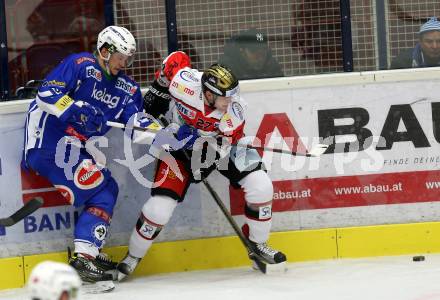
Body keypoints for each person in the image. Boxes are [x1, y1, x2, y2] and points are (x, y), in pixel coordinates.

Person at [116, 51, 287, 281]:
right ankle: (133, 257)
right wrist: (159, 91)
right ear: (207, 93)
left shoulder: (235, 110)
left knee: (261, 185)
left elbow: (224, 146)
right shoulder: (184, 84)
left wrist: (201, 145)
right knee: (159, 208)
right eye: (225, 97)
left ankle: (258, 243)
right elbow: (175, 60)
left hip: (218, 147)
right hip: (177, 147)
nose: (231, 102)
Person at [22, 25, 143, 283]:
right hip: (47, 144)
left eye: (127, 58)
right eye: (121, 56)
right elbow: (46, 93)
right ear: (105, 50)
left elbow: (136, 123)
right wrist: (74, 108)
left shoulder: (127, 89)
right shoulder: (81, 64)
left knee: (106, 186)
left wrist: (166, 136)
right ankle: (83, 257)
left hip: (72, 149)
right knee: (102, 189)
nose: (124, 63)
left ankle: (88, 250)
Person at [218, 28, 284, 80]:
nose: (260, 56)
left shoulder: (271, 64)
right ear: (242, 51)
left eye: (263, 51)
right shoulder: (227, 67)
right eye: (254, 52)